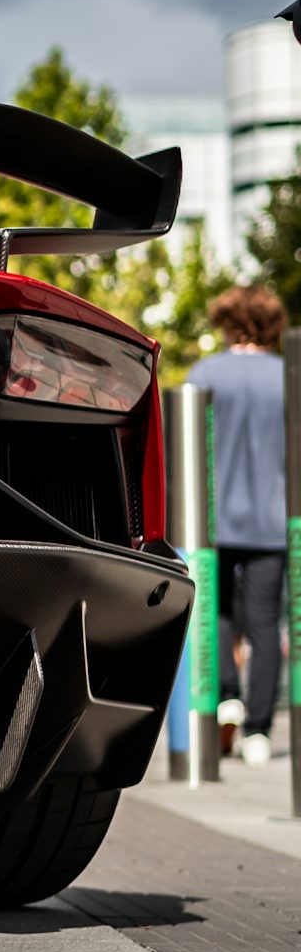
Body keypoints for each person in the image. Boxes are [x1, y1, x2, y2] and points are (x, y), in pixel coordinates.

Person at [190, 283, 289, 767]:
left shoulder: (205, 374)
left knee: (218, 613)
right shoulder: (289, 376)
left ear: (227, 320)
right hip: (274, 520)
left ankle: (226, 695)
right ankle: (259, 731)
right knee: (265, 621)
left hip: (213, 520)